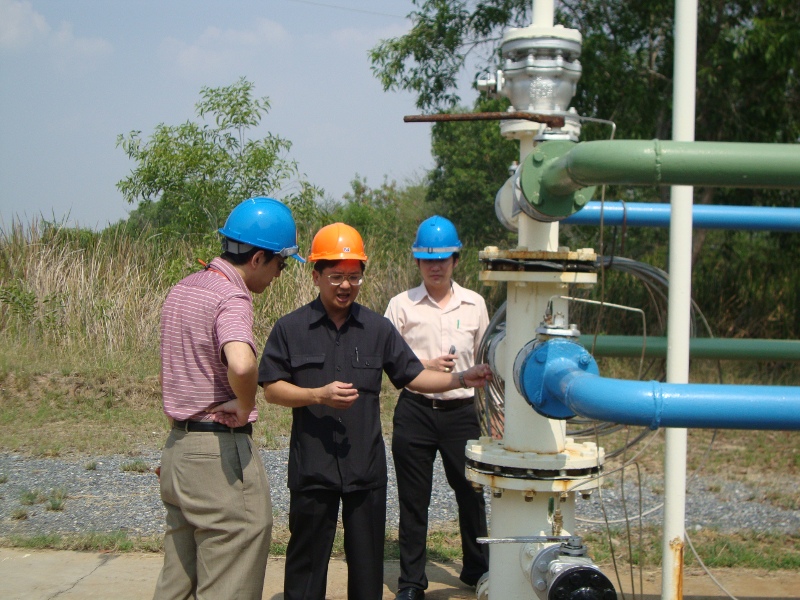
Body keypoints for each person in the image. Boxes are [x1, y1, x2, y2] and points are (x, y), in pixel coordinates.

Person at [258, 222, 492, 600]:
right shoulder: (291, 328)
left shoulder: (377, 329)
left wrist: (463, 378)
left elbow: (414, 376)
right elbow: (272, 389)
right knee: (306, 566)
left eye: (354, 277)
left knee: (367, 570)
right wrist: (317, 395)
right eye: (336, 277)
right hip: (313, 468)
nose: (345, 285)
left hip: (364, 470)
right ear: (316, 276)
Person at [153, 196, 304, 600]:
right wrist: (245, 403)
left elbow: (177, 370)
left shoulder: (183, 289)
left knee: (178, 581)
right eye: (280, 264)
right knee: (237, 553)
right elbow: (241, 363)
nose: (279, 275)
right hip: (218, 454)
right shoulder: (230, 297)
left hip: (178, 448)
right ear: (257, 258)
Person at [384, 216, 490, 600]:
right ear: (417, 261)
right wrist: (423, 365)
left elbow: (486, 363)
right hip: (415, 410)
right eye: (428, 259)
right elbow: (387, 361)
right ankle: (412, 582)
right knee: (414, 500)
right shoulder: (401, 306)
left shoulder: (475, 304)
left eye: (443, 259)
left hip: (462, 413)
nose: (435, 267)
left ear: (456, 260)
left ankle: (479, 570)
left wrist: (494, 417)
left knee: (471, 493)